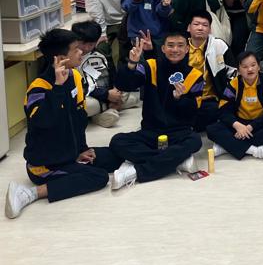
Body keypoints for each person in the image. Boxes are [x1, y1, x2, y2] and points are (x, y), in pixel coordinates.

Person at [4, 30, 123, 218]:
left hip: (69, 155)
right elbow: (44, 122)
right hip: (45, 165)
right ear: (60, 59)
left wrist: (81, 149)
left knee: (114, 157)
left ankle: (76, 163)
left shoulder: (75, 76)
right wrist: (58, 88)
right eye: (76, 50)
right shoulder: (38, 88)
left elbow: (78, 118)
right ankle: (30, 193)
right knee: (98, 177)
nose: (81, 52)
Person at [109, 31, 204, 189]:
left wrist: (180, 98)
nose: (175, 50)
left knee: (195, 141)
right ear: (163, 48)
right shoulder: (150, 66)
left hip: (178, 133)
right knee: (117, 141)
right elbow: (125, 85)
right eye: (171, 45)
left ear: (187, 49)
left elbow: (193, 112)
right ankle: (176, 160)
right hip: (150, 131)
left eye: (180, 46)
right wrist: (131, 64)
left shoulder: (195, 75)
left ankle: (135, 172)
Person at [207, 51, 263, 162]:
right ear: (239, 70)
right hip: (239, 123)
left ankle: (227, 146)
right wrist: (237, 125)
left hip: (260, 124)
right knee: (212, 129)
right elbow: (223, 110)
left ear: (258, 67)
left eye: (253, 65)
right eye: (245, 67)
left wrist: (250, 127)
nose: (250, 69)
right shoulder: (234, 84)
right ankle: (256, 151)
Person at [73, 20, 139, 128]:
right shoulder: (71, 56)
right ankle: (111, 108)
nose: (86, 48)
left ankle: (108, 109)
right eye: (82, 43)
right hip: (90, 95)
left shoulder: (101, 53)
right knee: (87, 105)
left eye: (90, 44)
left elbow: (112, 73)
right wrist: (106, 95)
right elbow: (78, 87)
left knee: (124, 90)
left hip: (106, 92)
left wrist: (115, 89)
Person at [185, 10, 236, 132]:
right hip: (185, 98)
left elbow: (233, 74)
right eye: (196, 24)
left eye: (205, 25)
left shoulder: (219, 45)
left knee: (213, 113)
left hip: (210, 99)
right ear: (189, 28)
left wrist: (227, 98)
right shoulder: (181, 47)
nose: (200, 28)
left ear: (210, 30)